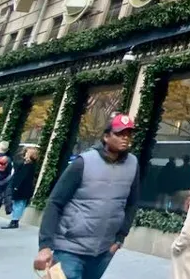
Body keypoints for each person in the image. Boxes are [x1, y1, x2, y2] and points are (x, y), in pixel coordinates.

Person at [35, 114, 141, 279]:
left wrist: (119, 238)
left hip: (105, 250)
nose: (125, 138)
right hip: (70, 248)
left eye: (128, 134)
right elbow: (55, 202)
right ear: (106, 136)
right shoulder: (83, 162)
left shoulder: (133, 164)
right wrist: (45, 246)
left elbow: (132, 203)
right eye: (119, 134)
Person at [3, 146, 40, 229]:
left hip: (21, 187)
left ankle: (14, 221)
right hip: (24, 187)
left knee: (18, 204)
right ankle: (15, 220)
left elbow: (21, 176)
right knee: (20, 204)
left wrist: (16, 186)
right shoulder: (30, 164)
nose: (25, 154)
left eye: (26, 153)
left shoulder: (28, 164)